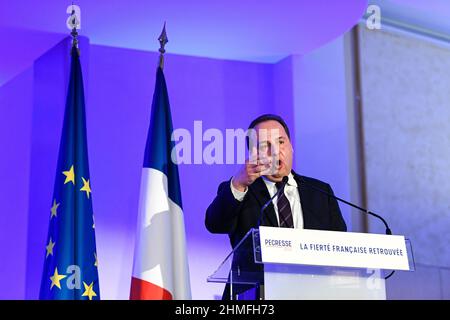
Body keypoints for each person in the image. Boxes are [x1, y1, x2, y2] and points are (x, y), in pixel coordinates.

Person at [205, 114, 347, 299]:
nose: (275, 151)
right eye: (265, 146)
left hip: (314, 292)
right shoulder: (240, 190)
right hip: (255, 297)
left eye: (281, 142)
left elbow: (340, 247)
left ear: (291, 147)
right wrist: (239, 184)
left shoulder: (320, 192)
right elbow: (215, 225)